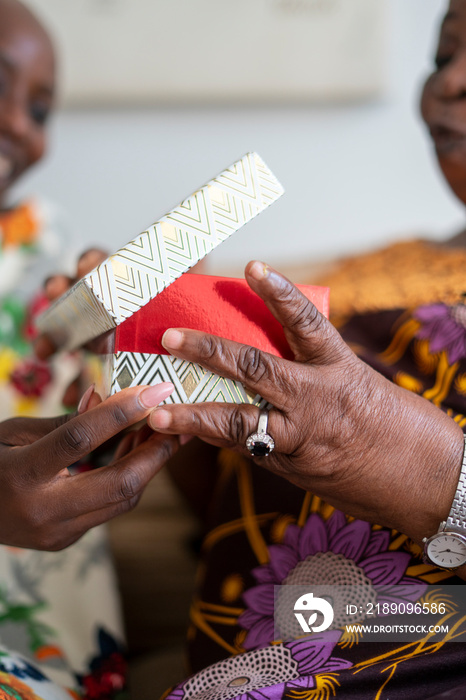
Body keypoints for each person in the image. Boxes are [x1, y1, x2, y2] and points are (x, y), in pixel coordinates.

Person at [141, 2, 466, 697]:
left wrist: (424, 467)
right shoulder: (350, 282)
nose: (451, 82)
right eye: (443, 55)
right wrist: (164, 387)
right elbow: (239, 515)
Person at [0, 2, 181, 699]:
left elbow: (79, 431)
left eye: (42, 111)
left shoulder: (41, 242)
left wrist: (133, 345)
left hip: (47, 650)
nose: (19, 124)